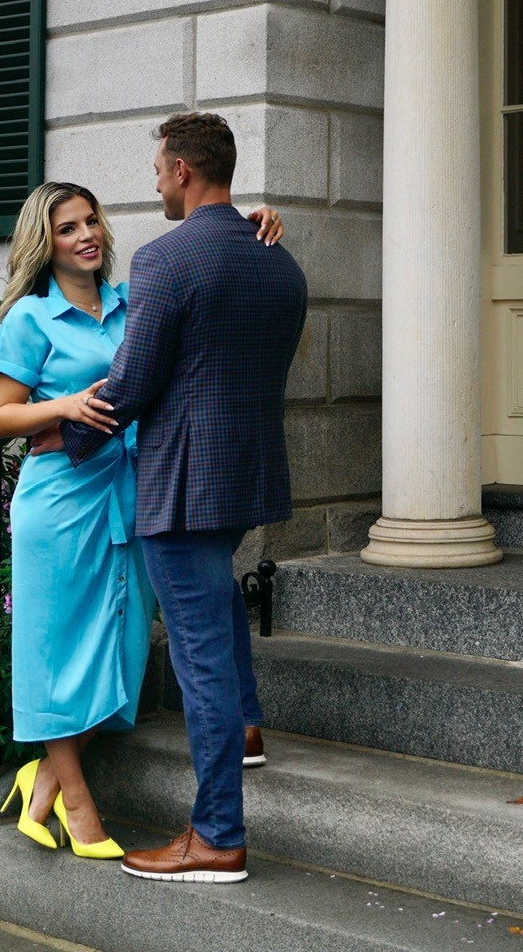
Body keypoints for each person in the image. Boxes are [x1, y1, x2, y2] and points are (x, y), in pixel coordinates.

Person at [0, 179, 282, 860]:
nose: (86, 234)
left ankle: (43, 779)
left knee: (113, 651)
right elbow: (0, 417)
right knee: (58, 651)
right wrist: (60, 407)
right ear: (44, 242)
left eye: (92, 221)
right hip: (60, 501)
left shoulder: (130, 303)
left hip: (132, 491)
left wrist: (255, 226)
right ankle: (76, 799)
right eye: (68, 228)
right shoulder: (30, 319)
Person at [60, 111, 308, 885]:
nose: (156, 181)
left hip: (182, 481)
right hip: (246, 475)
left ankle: (218, 836)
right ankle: (248, 725)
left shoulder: (167, 258)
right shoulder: (280, 262)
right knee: (219, 600)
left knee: (197, 654)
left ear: (185, 172)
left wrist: (66, 437)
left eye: (161, 169)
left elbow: (132, 383)